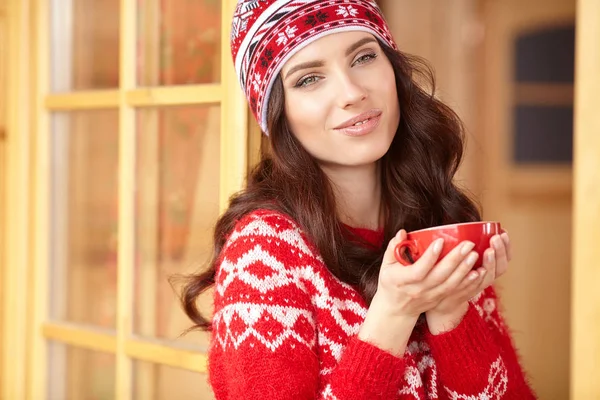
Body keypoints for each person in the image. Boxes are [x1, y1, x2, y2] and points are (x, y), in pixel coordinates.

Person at [180, 0, 537, 398]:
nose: (352, 92)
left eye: (364, 57)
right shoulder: (263, 257)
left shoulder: (438, 225)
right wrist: (394, 314)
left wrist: (452, 315)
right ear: (278, 114)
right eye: (309, 79)